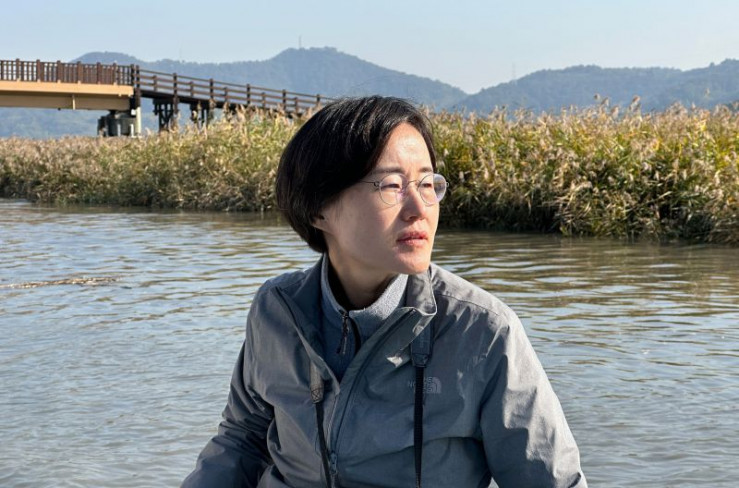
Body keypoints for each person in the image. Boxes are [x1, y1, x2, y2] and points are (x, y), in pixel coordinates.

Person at [182, 96, 587, 488]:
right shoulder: (278, 310)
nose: (419, 208)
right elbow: (242, 440)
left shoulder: (482, 331)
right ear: (319, 208)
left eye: (427, 183)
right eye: (392, 185)